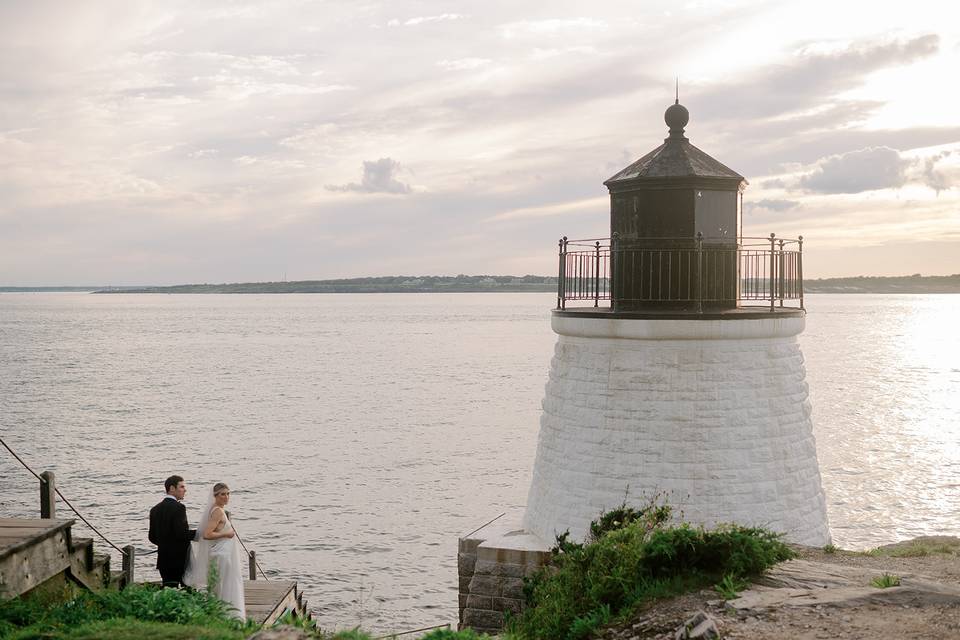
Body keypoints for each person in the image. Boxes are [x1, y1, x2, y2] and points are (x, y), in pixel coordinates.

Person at [183, 483, 246, 620]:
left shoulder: (217, 510)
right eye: (222, 494)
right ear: (215, 496)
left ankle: (224, 612)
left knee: (224, 583)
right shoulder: (217, 511)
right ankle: (226, 614)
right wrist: (226, 534)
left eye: (228, 493)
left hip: (224, 553)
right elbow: (207, 534)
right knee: (223, 584)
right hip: (221, 554)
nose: (226, 497)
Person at [148, 475, 195, 588]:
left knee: (168, 591)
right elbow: (182, 534)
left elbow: (152, 536)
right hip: (179, 559)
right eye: (182, 487)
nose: (185, 490)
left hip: (163, 559)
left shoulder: (155, 509)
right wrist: (200, 533)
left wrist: (164, 545)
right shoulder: (179, 508)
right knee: (187, 590)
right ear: (172, 488)